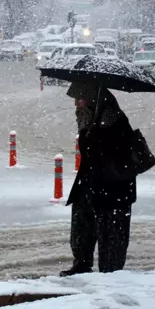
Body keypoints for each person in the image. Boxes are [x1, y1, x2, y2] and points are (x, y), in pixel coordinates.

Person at [59, 80, 139, 276]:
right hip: (90, 182)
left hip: (113, 187)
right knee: (81, 226)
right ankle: (82, 264)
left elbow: (112, 154)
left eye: (80, 99)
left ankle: (111, 273)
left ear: (94, 98)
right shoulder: (90, 118)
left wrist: (93, 133)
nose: (77, 104)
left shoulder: (113, 120)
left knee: (111, 233)